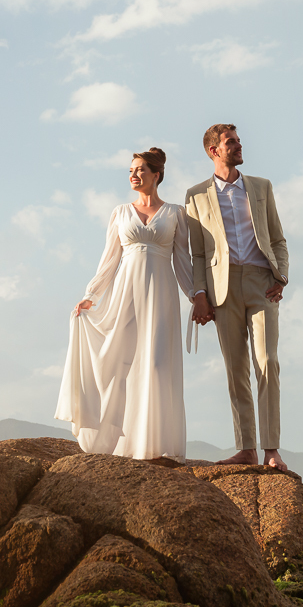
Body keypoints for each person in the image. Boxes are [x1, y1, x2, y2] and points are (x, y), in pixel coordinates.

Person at [55, 147, 194, 461]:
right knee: (117, 362)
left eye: (140, 170)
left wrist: (196, 296)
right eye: (131, 170)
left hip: (161, 297)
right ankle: (117, 443)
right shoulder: (120, 213)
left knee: (157, 366)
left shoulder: (175, 213)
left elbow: (183, 262)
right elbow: (109, 260)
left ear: (156, 174)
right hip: (124, 295)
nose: (133, 175)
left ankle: (156, 446)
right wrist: (91, 295)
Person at [185, 125, 289, 471]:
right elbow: (198, 254)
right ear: (214, 151)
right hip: (222, 288)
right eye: (232, 142)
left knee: (267, 362)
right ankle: (246, 447)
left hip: (262, 284)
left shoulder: (261, 187)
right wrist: (199, 294)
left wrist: (282, 276)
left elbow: (278, 239)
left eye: (239, 141)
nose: (239, 146)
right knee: (235, 370)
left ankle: (271, 450)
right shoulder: (195, 195)